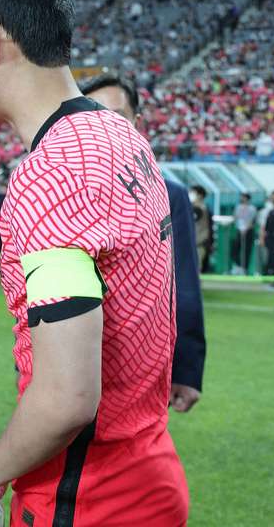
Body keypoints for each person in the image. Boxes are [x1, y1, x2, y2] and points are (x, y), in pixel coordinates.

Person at [0, 0, 187, 527]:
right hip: (148, 470)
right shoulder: (121, 136)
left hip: (90, 496)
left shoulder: (54, 171)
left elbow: (67, 396)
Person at [83, 73, 205, 413]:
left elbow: (182, 285)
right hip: (69, 365)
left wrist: (187, 368)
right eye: (94, 118)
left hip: (138, 373)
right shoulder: (63, 188)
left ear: (136, 122)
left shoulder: (168, 193)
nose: (106, 128)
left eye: (117, 117)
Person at [232, 193, 257, 274]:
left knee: (246, 250)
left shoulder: (252, 208)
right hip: (239, 230)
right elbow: (235, 217)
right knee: (236, 248)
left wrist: (246, 228)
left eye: (243, 197)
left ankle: (244, 268)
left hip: (248, 231)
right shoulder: (238, 207)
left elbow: (252, 221)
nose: (241, 199)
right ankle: (237, 265)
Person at [190, 185, 213, 272]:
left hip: (199, 243)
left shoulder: (202, 209)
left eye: (193, 193)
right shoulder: (192, 208)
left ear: (200, 195)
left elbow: (206, 228)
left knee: (196, 268)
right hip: (193, 242)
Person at [260, 190, 274, 276]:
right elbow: (264, 226)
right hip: (270, 239)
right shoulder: (268, 211)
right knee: (270, 257)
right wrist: (262, 238)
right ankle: (270, 273)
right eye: (273, 197)